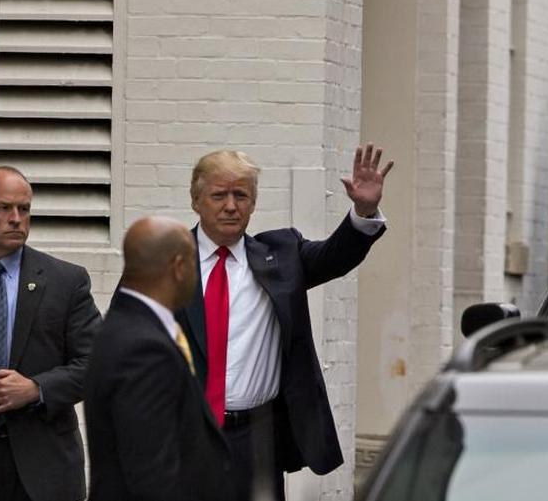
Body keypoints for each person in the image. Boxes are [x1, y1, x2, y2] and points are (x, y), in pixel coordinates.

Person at [174, 144, 393, 501]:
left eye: (241, 195)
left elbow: (335, 256)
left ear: (253, 203)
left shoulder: (280, 256)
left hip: (255, 440)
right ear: (196, 201)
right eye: (219, 195)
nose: (231, 205)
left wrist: (363, 210)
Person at [85, 217, 231, 501]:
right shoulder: (145, 350)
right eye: (195, 262)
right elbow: (153, 476)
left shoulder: (122, 326)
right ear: (178, 267)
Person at [0, 166, 101, 501]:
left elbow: (96, 363)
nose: (16, 218)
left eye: (24, 209)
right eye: (4, 208)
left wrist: (36, 388)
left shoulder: (66, 281)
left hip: (43, 467)